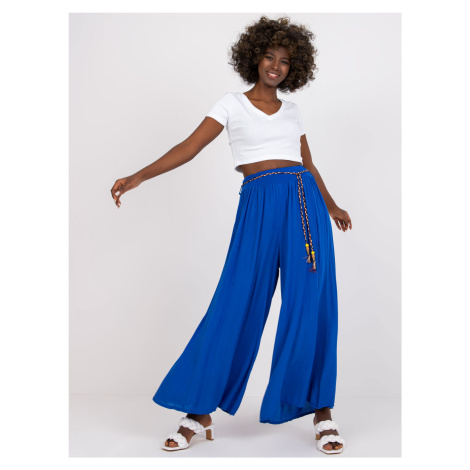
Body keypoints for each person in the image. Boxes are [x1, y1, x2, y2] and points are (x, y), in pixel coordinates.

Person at [110, 15, 351, 455]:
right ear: (254, 57)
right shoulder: (230, 104)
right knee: (236, 302)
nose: (275, 66)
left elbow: (308, 165)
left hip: (304, 208)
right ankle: (199, 411)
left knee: (310, 306)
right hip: (258, 205)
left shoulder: (293, 111)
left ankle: (322, 411)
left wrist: (331, 205)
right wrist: (139, 176)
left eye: (284, 61)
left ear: (294, 68)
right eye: (269, 56)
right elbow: (190, 147)